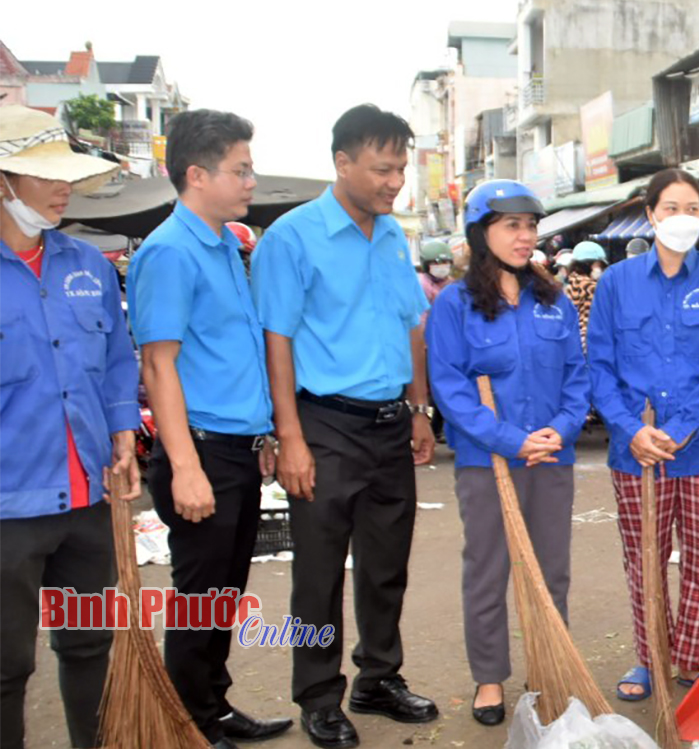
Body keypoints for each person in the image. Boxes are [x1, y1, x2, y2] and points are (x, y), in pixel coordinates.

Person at [251, 104, 438, 749]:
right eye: (384, 169)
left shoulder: (391, 235)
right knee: (320, 571)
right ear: (342, 162)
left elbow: (411, 323)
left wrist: (418, 409)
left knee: (387, 564)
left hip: (390, 423)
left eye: (402, 169)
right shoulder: (291, 238)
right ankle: (318, 695)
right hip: (324, 424)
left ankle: (378, 679)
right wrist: (291, 437)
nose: (396, 183)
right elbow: (276, 340)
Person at [126, 109, 292, 749]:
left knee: (223, 592)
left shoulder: (226, 244)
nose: (251, 181)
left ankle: (212, 706)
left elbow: (237, 352)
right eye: (240, 170)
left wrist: (266, 435)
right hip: (200, 452)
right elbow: (158, 365)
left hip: (238, 451)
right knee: (200, 597)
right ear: (197, 175)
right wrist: (187, 467)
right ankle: (186, 720)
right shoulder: (170, 252)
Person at [0, 105, 141, 749]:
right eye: (47, 176)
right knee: (7, 665)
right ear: (4, 181)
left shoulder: (85, 264)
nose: (65, 188)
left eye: (67, 176)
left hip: (88, 496)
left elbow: (117, 360)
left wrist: (121, 431)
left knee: (88, 646)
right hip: (9, 506)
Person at [426, 180, 589, 727]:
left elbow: (576, 375)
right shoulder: (454, 304)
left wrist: (561, 431)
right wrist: (508, 439)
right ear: (481, 232)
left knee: (552, 572)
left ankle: (548, 667)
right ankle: (489, 677)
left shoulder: (553, 299)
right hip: (486, 461)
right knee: (488, 569)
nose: (525, 237)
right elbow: (448, 387)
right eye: (512, 226)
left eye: (531, 226)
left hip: (551, 458)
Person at [588, 168, 699, 701]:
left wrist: (679, 428)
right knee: (646, 561)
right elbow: (601, 368)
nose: (682, 218)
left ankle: (694, 659)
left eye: (692, 208)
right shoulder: (616, 283)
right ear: (651, 213)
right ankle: (650, 657)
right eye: (671, 207)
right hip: (636, 452)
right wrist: (631, 429)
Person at [564, 241, 607, 355]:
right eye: (599, 265)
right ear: (588, 264)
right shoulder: (593, 287)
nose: (601, 269)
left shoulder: (569, 286)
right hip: (590, 343)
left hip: (570, 342)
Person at [417, 239, 454, 314]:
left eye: (445, 262)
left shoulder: (451, 283)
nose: (441, 266)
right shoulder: (422, 284)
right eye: (436, 263)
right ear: (426, 264)